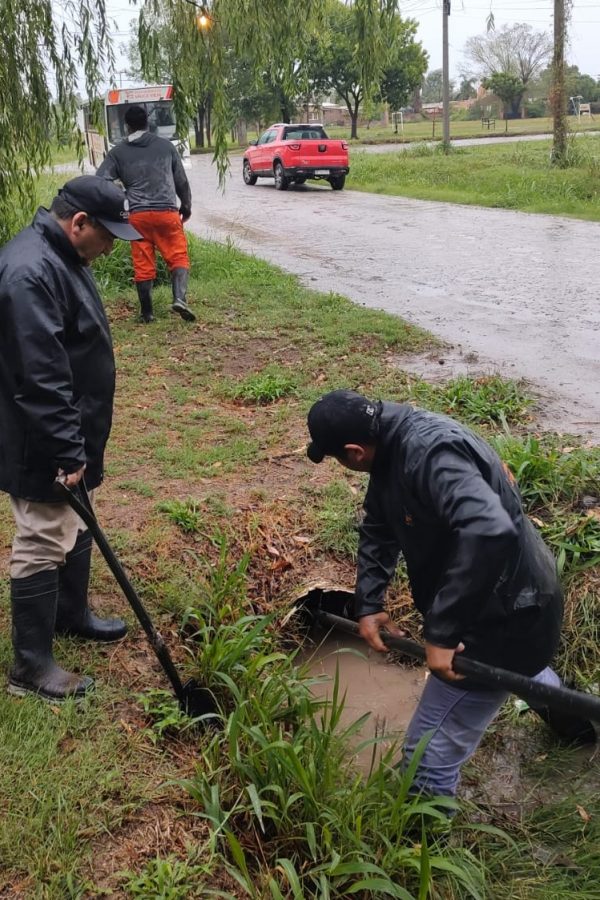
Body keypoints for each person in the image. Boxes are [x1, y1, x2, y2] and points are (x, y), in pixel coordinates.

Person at [306, 389, 595, 802]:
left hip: (502, 617)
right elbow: (379, 524)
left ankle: (420, 850)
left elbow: (488, 530)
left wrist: (441, 634)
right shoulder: (391, 442)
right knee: (525, 670)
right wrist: (369, 602)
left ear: (354, 452)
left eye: (336, 458)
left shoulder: (429, 455)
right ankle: (578, 724)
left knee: (426, 756)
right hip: (519, 600)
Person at [0, 176, 142, 701]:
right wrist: (66, 449)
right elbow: (40, 377)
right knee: (41, 535)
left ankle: (70, 613)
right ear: (78, 222)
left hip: (69, 431)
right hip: (40, 437)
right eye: (108, 237)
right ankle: (30, 667)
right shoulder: (29, 272)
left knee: (77, 515)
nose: (110, 249)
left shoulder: (61, 255)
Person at [96, 104, 195, 324]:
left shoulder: (117, 152)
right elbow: (181, 181)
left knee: (143, 263)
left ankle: (147, 313)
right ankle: (179, 298)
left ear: (127, 126)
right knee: (178, 255)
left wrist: (122, 196)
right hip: (167, 212)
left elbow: (101, 179)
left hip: (137, 217)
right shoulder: (166, 146)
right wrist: (186, 206)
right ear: (147, 123)